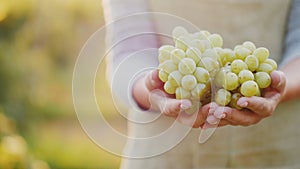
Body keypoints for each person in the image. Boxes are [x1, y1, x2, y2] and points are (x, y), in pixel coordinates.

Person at [102, 0, 300, 168]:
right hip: (166, 154)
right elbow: (127, 50)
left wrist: (282, 87)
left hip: (278, 150)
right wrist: (152, 93)